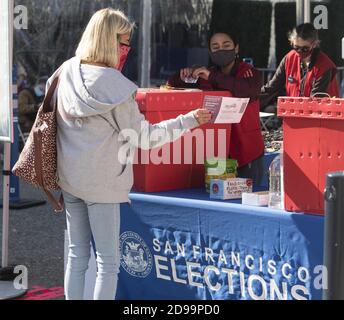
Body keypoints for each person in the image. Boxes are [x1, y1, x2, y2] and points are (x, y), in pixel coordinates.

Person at [46, 8, 211, 300]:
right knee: (108, 263)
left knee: (77, 256)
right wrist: (188, 120)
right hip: (104, 183)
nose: (128, 49)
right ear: (110, 40)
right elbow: (145, 138)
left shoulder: (64, 72)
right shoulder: (117, 87)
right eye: (125, 41)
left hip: (70, 176)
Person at [167, 31, 265, 185]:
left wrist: (212, 77)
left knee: (247, 199)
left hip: (246, 153)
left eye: (226, 46)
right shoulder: (206, 74)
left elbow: (246, 90)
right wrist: (183, 75)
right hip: (217, 152)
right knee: (219, 199)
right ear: (210, 52)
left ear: (236, 48)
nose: (221, 50)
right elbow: (173, 84)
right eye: (215, 47)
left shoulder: (250, 73)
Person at [260, 23, 339, 108]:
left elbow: (315, 100)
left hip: (322, 115)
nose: (299, 52)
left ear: (315, 44)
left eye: (305, 49)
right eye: (296, 47)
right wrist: (250, 99)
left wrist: (278, 109)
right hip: (294, 113)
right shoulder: (289, 58)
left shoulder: (324, 66)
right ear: (291, 42)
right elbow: (272, 87)